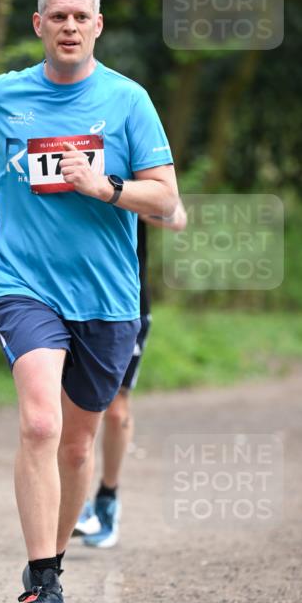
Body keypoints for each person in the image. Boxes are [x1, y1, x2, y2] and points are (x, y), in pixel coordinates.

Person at [0, 0, 179, 603]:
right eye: (56, 16)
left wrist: (105, 186)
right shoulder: (6, 93)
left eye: (79, 17)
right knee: (37, 424)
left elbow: (166, 201)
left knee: (78, 444)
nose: (67, 26)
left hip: (107, 298)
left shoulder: (127, 100)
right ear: (38, 25)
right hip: (22, 284)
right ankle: (42, 587)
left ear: (97, 26)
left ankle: (50, 570)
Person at [74, 203, 188, 549]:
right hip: (68, 296)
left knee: (115, 409)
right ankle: (76, 504)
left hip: (125, 300)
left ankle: (108, 496)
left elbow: (176, 217)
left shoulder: (132, 156)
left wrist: (114, 195)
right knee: (65, 407)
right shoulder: (54, 150)